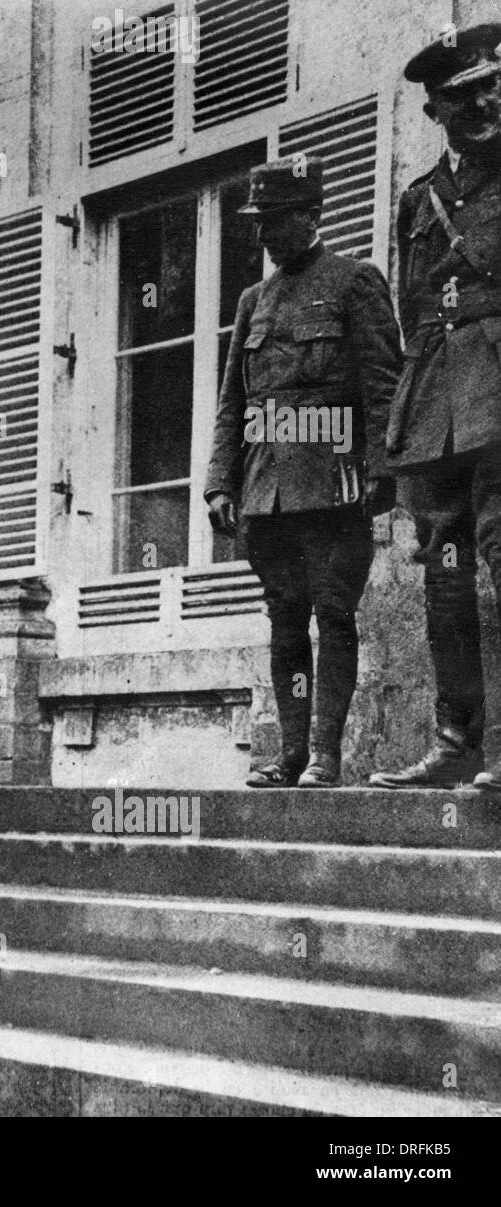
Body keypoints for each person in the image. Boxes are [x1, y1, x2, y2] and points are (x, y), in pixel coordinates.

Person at [205, 156, 402, 788]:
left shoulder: (354, 282)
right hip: (269, 492)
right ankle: (291, 754)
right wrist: (220, 482)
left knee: (334, 615)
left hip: (333, 484)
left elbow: (382, 385)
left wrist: (381, 469)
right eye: (258, 223)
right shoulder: (252, 301)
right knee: (285, 621)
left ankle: (326, 756)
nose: (262, 235)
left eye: (275, 221)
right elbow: (233, 403)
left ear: (311, 216)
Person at [370, 24, 501, 791]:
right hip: (437, 408)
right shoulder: (418, 200)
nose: (485, 101)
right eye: (463, 94)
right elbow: (414, 311)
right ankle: (457, 742)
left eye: (492, 85)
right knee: (445, 575)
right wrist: (398, 430)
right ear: (435, 111)